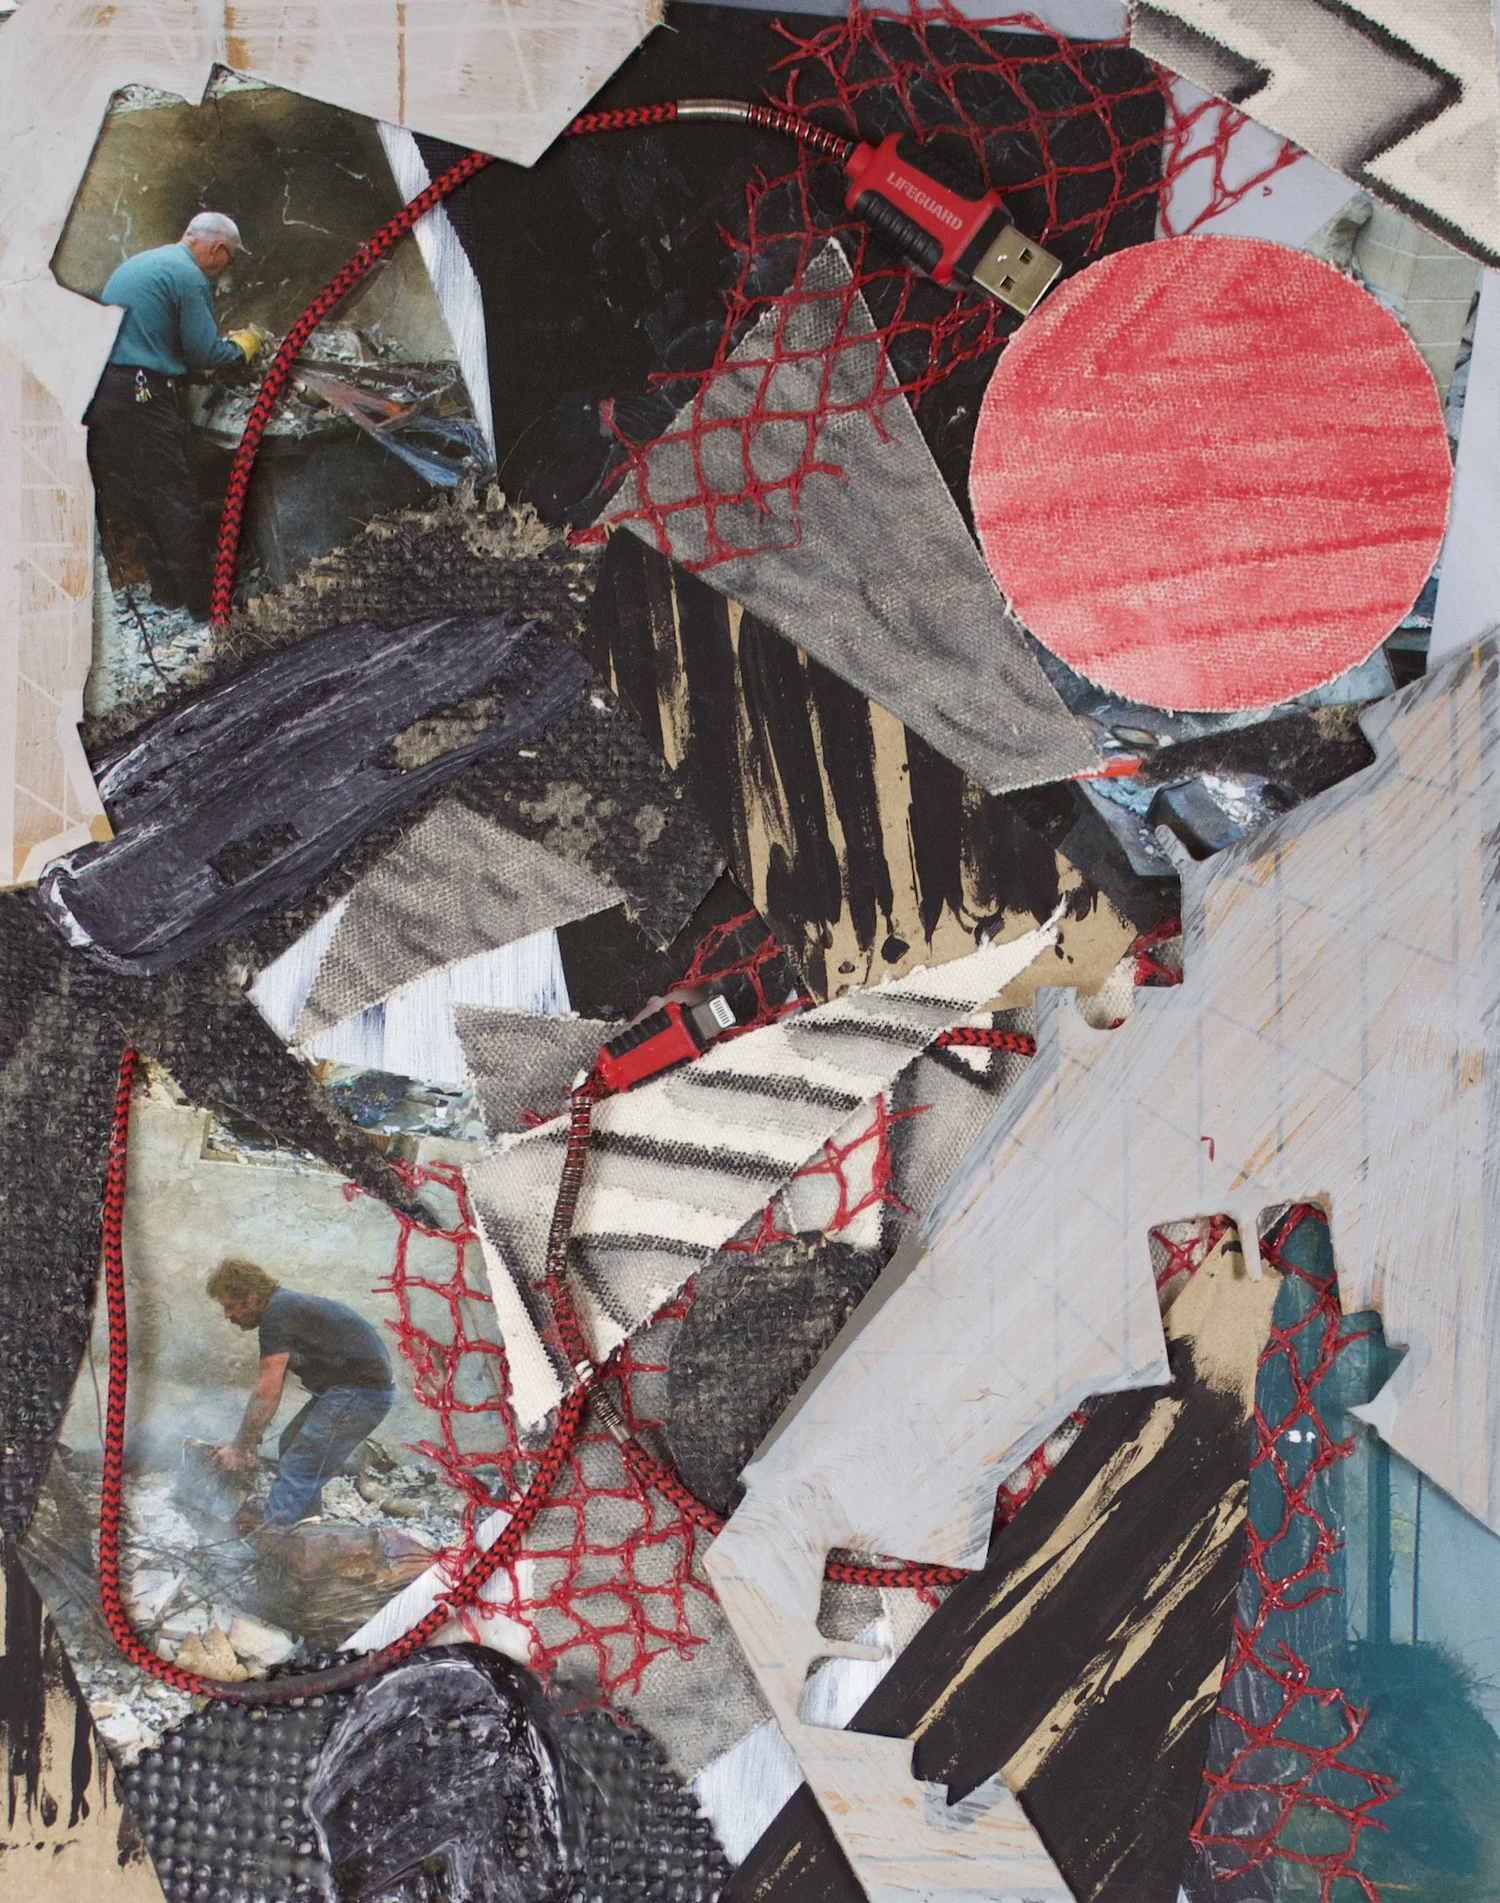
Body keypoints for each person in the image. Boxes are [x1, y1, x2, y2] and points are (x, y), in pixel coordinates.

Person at [86, 212, 267, 622]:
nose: (224, 268)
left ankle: (167, 593)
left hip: (107, 391)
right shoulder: (189, 276)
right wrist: (245, 345)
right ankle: (207, 605)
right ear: (217, 250)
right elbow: (206, 352)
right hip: (142, 394)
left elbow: (157, 341)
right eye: (229, 258)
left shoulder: (145, 263)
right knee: (175, 496)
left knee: (144, 493)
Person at [206, 1258, 395, 1530]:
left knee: (299, 1466)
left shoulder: (278, 1314)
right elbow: (271, 1389)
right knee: (291, 1444)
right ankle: (304, 1530)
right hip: (350, 1391)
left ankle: (274, 1540)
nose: (226, 1315)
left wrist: (239, 1448)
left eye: (230, 1306)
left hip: (360, 1393)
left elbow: (267, 1391)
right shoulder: (283, 1308)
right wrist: (248, 1442)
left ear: (251, 1298)